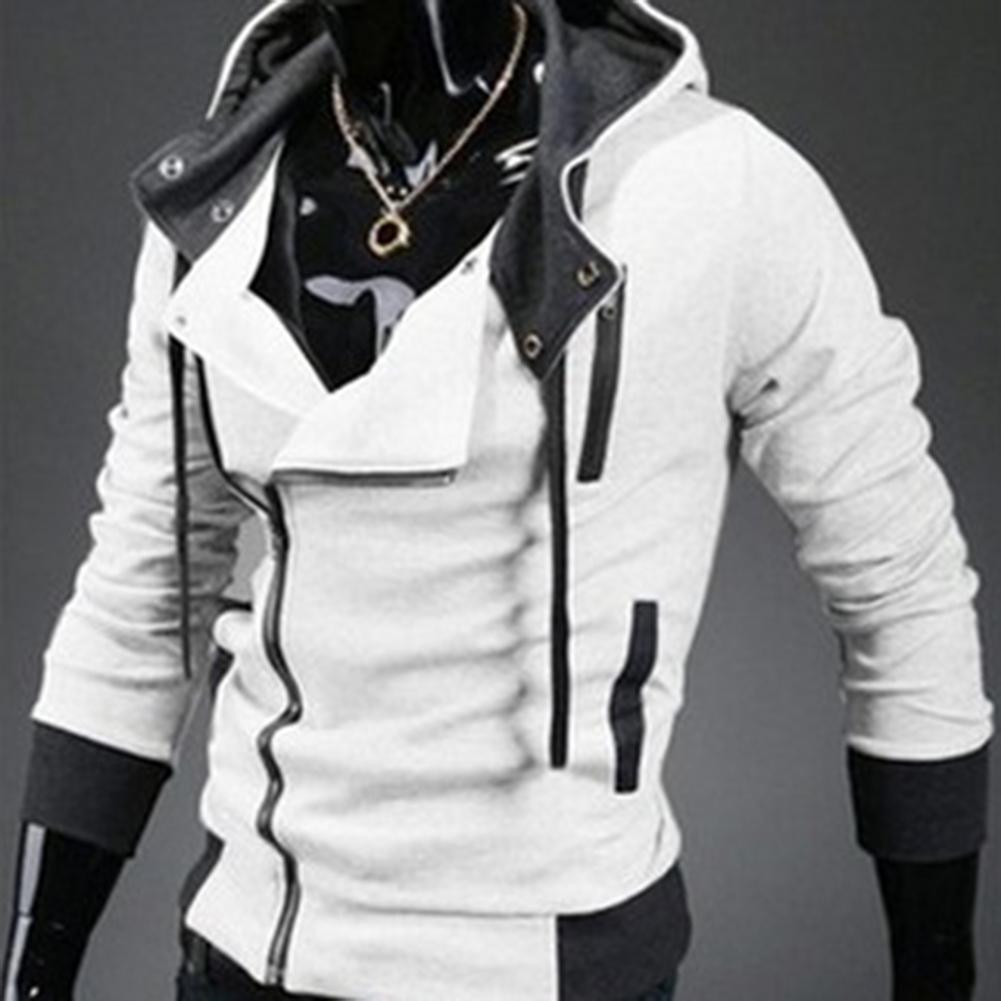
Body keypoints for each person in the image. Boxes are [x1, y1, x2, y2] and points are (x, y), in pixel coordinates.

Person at [1, 1, 992, 999]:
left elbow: (899, 581)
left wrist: (934, 967)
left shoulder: (706, 181)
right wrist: (33, 970)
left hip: (550, 955)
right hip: (242, 950)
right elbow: (143, 590)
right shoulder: (218, 199)